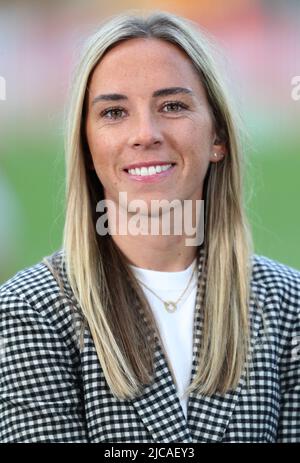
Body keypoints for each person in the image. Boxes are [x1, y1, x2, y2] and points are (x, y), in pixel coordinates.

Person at [0, 10, 299, 444]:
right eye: (114, 112)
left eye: (173, 106)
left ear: (218, 137)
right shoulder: (29, 311)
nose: (145, 133)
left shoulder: (288, 307)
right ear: (86, 146)